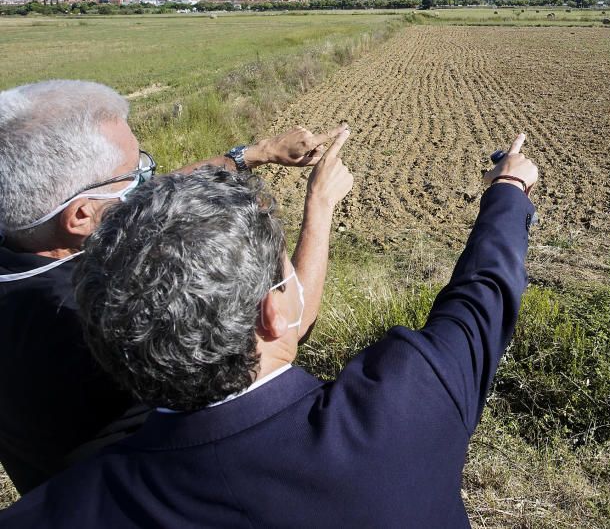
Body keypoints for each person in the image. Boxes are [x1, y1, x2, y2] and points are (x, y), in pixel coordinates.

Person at [0, 131, 538, 528]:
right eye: (283, 275)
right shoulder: (405, 407)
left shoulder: (56, 509)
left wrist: (246, 157)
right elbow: (483, 293)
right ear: (273, 312)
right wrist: (510, 185)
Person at [0, 79, 341, 493]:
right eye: (136, 175)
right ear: (80, 217)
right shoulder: (96, 310)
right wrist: (320, 205)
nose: (149, 179)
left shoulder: (22, 242)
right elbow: (279, 331)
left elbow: (153, 198)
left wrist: (255, 153)